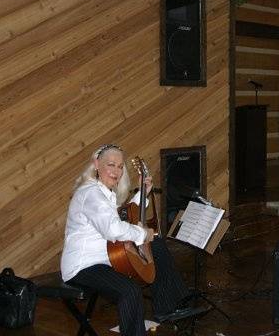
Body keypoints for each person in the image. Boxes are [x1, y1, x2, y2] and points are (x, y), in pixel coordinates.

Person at [61, 144, 191, 336]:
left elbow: (121, 216)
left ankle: (168, 307)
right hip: (83, 267)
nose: (116, 171)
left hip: (106, 257)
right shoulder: (91, 194)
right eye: (111, 165)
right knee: (129, 291)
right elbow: (113, 229)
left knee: (156, 245)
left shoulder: (104, 192)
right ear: (96, 164)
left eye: (120, 166)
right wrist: (142, 233)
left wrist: (142, 195)